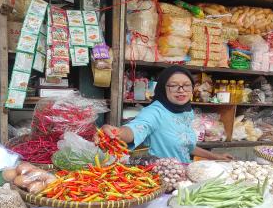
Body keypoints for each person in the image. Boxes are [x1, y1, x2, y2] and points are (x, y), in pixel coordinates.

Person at [98, 66, 232, 163]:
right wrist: (117, 132)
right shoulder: (155, 112)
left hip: (182, 175)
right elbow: (136, 128)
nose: (181, 91)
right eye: (173, 86)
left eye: (186, 85)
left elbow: (186, 146)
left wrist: (216, 157)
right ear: (162, 88)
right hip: (161, 179)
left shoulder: (186, 111)